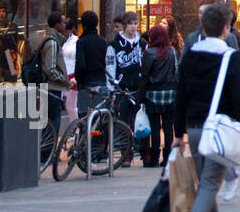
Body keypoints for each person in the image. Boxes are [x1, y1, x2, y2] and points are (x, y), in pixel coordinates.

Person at [172, 3, 240, 212]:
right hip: (218, 130)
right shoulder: (229, 56)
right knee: (209, 183)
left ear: (203, 25)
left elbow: (180, 95)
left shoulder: (190, 54)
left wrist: (176, 133)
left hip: (194, 127)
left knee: (207, 182)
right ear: (226, 28)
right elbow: (238, 97)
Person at [138, 24, 179, 168]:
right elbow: (176, 72)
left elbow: (145, 76)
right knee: (168, 127)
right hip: (170, 92)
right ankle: (167, 158)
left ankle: (154, 158)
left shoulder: (149, 53)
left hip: (153, 93)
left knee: (155, 127)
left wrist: (140, 96)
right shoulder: (173, 51)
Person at [110, 11, 145, 166]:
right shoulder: (115, 44)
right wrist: (113, 88)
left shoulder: (142, 44)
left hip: (138, 88)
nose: (133, 27)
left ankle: (140, 149)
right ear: (124, 26)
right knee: (123, 122)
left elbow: (146, 64)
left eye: (135, 23)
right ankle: (126, 154)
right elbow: (110, 67)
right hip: (123, 89)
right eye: (130, 24)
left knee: (139, 121)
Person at [36, 12, 71, 144]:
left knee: (48, 120)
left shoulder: (50, 39)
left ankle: (47, 150)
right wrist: (64, 79)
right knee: (52, 120)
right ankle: (48, 151)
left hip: (49, 87)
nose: (65, 25)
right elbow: (49, 68)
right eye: (62, 22)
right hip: (51, 87)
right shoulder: (52, 42)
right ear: (57, 25)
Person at [71, 12, 110, 117]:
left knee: (84, 115)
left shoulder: (81, 42)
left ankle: (86, 133)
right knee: (100, 115)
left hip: (85, 83)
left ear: (83, 25)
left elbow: (80, 64)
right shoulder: (103, 41)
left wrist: (78, 79)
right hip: (101, 81)